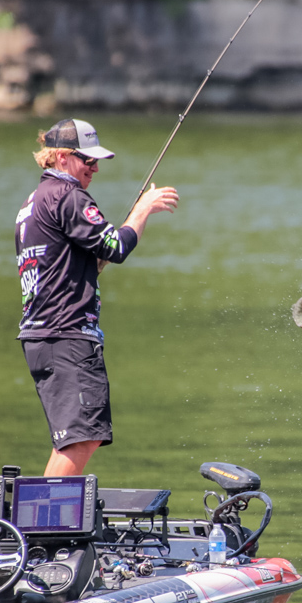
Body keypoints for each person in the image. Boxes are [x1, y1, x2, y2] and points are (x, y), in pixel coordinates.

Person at [16, 119, 179, 475]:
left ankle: (46, 524)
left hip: (42, 336)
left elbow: (64, 260)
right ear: (60, 157)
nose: (94, 167)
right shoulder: (68, 196)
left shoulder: (35, 201)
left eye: (97, 160)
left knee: (72, 440)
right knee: (80, 439)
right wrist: (144, 208)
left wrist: (90, 266)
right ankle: (44, 528)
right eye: (86, 160)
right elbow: (116, 246)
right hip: (67, 335)